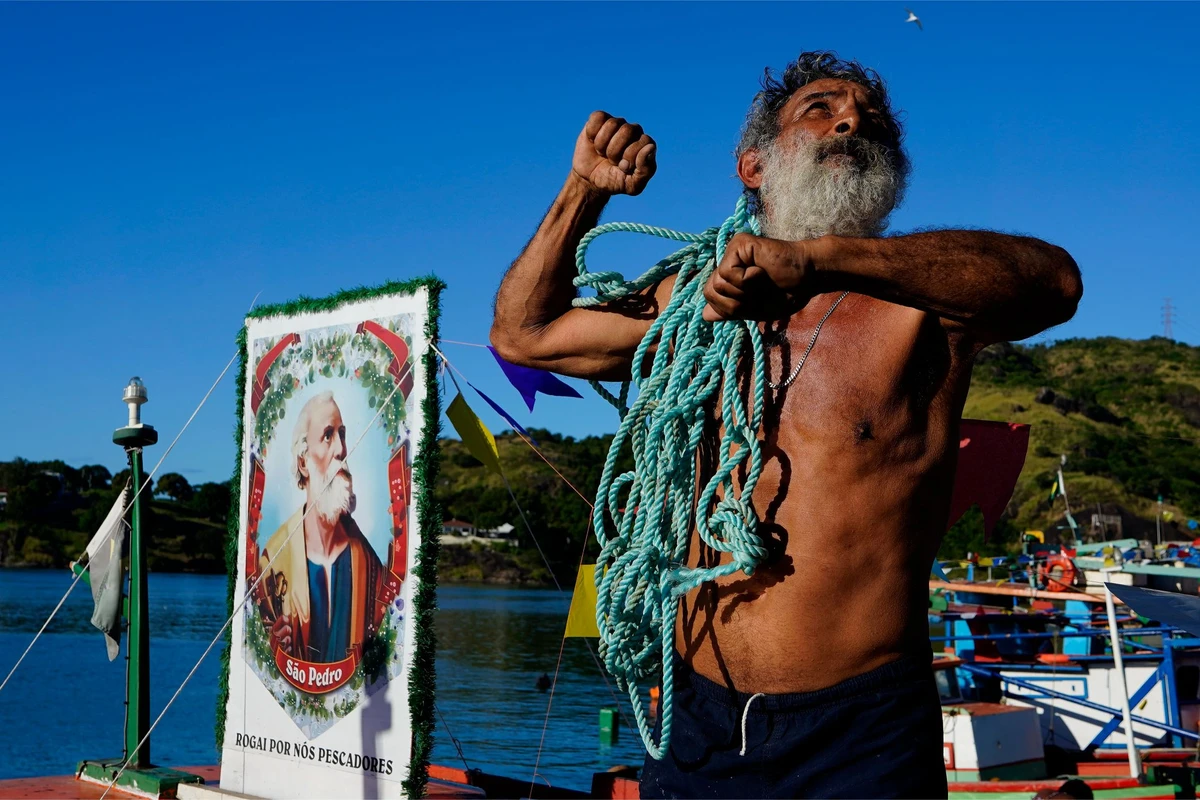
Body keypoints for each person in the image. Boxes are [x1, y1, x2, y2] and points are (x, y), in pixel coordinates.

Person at [490, 52, 1082, 799]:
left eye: (870, 118)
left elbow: (1057, 282)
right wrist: (584, 191)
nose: (851, 120)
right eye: (821, 109)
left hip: (859, 735)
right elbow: (524, 335)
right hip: (694, 726)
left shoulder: (930, 304)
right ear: (753, 165)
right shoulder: (690, 304)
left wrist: (816, 261)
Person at [263, 391, 386, 665]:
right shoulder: (273, 560)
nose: (341, 449)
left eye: (342, 434)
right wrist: (275, 643)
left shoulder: (370, 565)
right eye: (328, 435)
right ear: (303, 462)